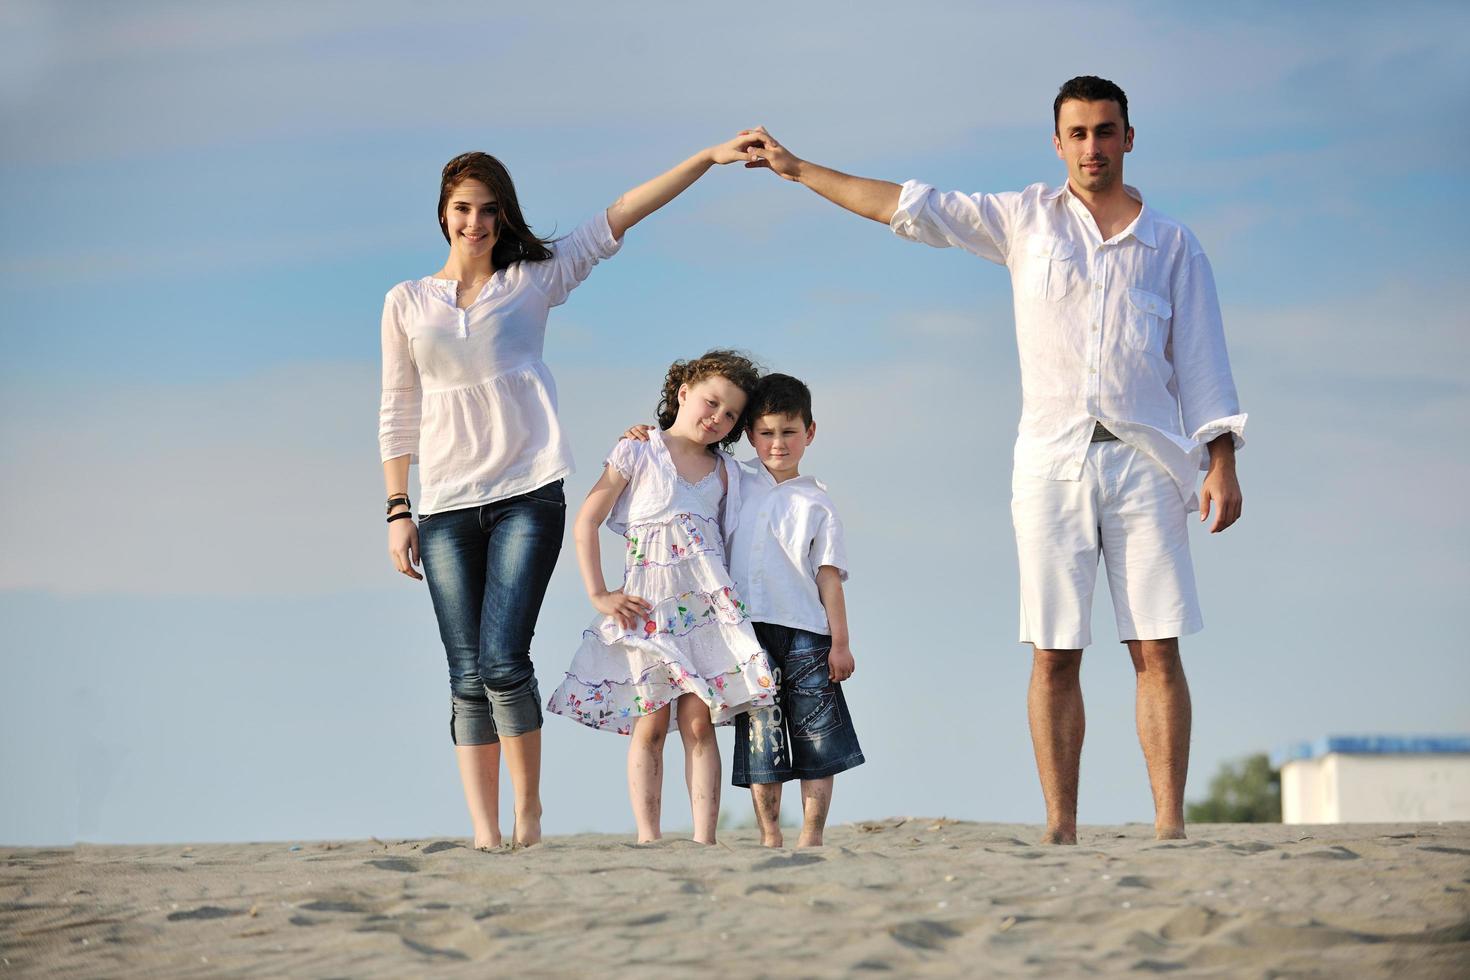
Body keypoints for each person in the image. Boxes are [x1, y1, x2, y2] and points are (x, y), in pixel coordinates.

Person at [737, 76, 1246, 843]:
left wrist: (1222, 460)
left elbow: (1203, 361)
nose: (1092, 147)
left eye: (1105, 131)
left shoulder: (1171, 243)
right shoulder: (1024, 221)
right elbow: (907, 207)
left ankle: (1169, 826)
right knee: (1054, 653)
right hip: (1050, 463)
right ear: (1057, 144)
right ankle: (1061, 826)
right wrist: (800, 169)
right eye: (1077, 134)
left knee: (1156, 645)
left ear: (1129, 138)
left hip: (1146, 465)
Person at [379, 139, 753, 850]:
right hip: (444, 503)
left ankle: (528, 814)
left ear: (503, 215)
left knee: (502, 660)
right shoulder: (405, 303)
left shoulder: (533, 280)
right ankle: (486, 833)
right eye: (463, 209)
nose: (476, 223)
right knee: (465, 673)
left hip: (528, 494)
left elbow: (618, 217)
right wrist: (398, 507)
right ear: (443, 213)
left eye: (489, 211)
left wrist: (705, 159)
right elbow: (396, 408)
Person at [546, 351, 775, 844]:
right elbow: (585, 520)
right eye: (711, 402)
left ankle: (703, 839)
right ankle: (648, 837)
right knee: (648, 725)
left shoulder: (727, 473)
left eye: (731, 414)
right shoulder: (638, 450)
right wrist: (599, 592)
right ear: (683, 392)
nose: (717, 417)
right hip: (649, 613)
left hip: (706, 617)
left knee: (699, 724)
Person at [728, 374, 864, 848]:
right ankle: (769, 834)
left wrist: (841, 644)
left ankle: (812, 835)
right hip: (748, 633)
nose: (777, 443)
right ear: (750, 435)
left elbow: (829, 577)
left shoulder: (818, 503)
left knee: (817, 735)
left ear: (809, 431)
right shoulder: (735, 481)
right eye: (766, 433)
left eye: (788, 431)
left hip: (808, 632)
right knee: (761, 734)